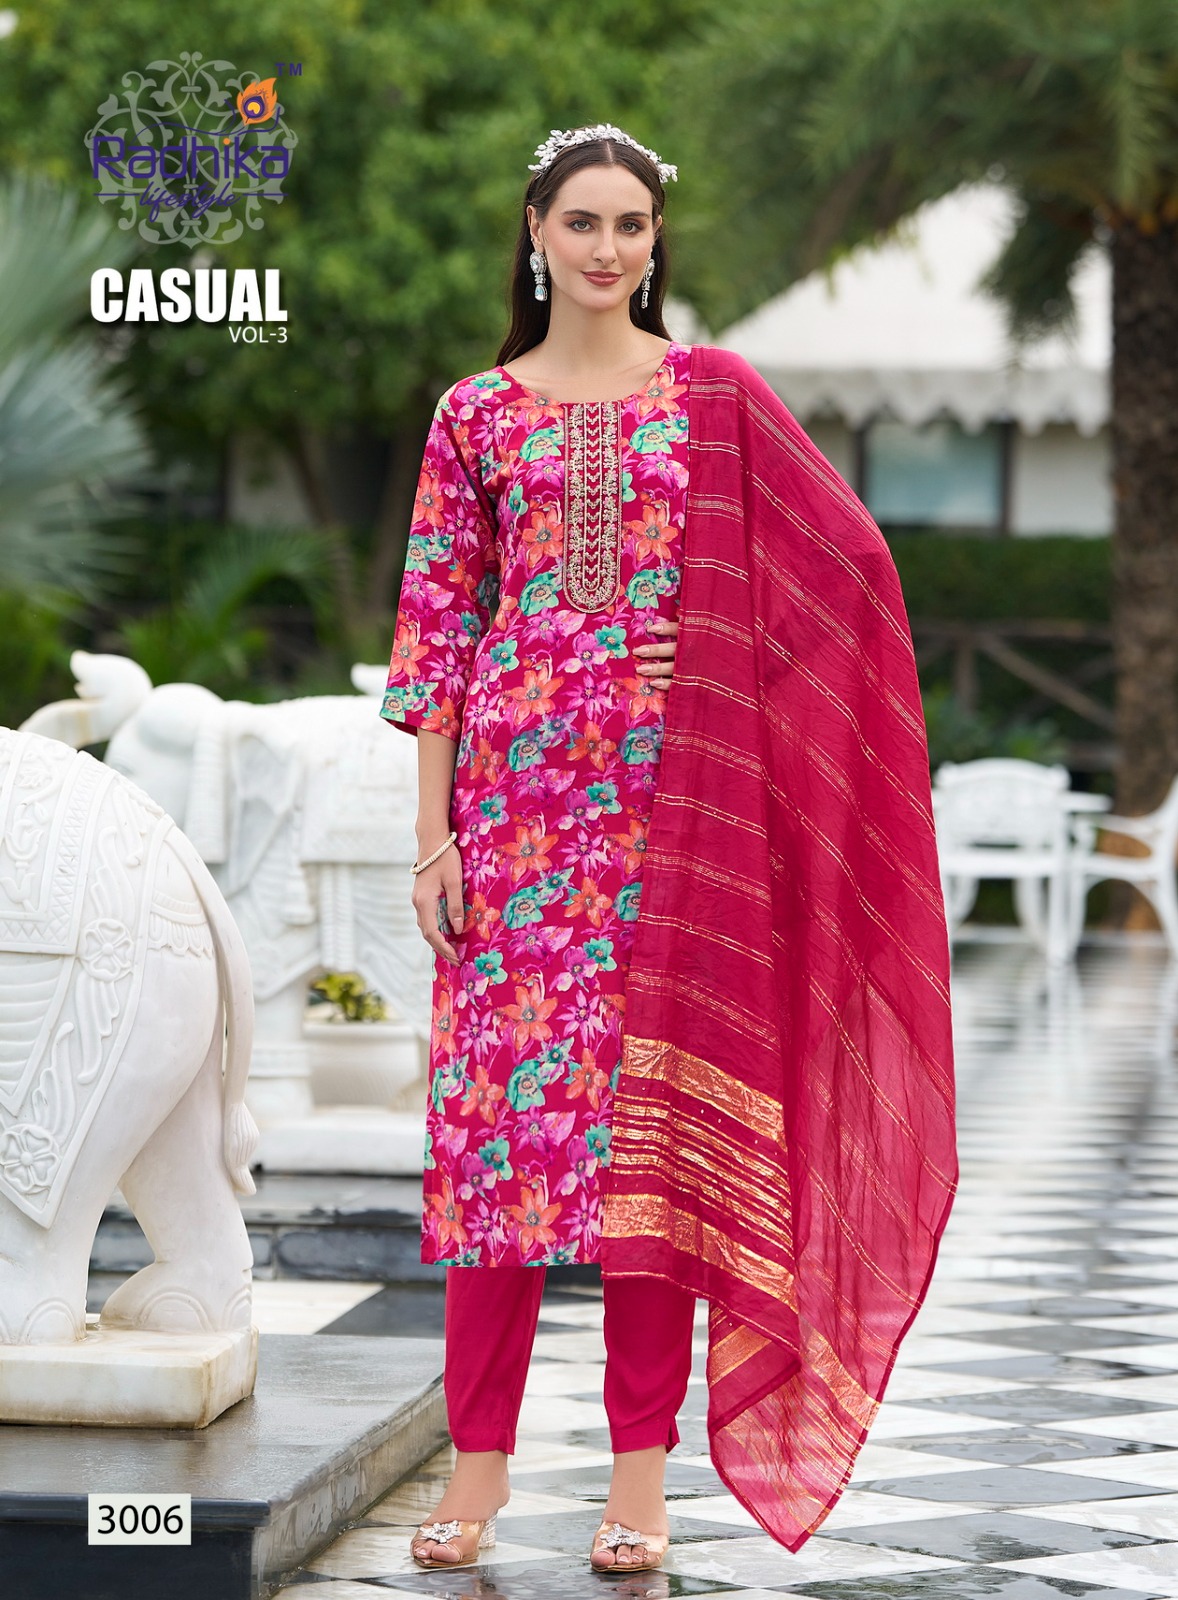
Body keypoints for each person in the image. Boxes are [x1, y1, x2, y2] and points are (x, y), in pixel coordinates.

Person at [380, 122, 958, 1575]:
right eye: (580, 221)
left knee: (653, 1158)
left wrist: (725, 673)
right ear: (535, 233)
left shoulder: (711, 396)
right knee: (496, 1151)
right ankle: (476, 1474)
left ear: (655, 241)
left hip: (670, 814)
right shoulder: (474, 413)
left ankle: (636, 1488)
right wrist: (432, 840)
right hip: (512, 818)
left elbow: (846, 569)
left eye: (629, 224)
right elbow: (437, 632)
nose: (605, 248)